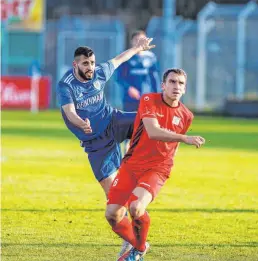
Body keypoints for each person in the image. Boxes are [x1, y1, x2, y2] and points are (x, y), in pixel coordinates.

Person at [57, 37, 155, 256]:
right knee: (115, 204)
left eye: (92, 63)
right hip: (96, 144)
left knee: (147, 119)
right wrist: (79, 121)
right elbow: (69, 110)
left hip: (113, 121)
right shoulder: (66, 84)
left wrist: (137, 48)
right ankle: (132, 242)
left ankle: (153, 164)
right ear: (76, 65)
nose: (90, 67)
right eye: (85, 64)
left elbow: (118, 60)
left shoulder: (100, 72)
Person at [105, 68, 206, 261]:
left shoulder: (186, 115)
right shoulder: (148, 100)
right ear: (163, 85)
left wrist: (168, 165)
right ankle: (141, 247)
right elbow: (153, 131)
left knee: (135, 208)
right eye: (172, 82)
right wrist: (185, 138)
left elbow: (173, 146)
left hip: (157, 169)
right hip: (132, 164)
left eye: (181, 83)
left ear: (185, 89)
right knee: (112, 215)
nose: (177, 86)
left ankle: (136, 251)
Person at [117, 30, 160, 112]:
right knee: (130, 121)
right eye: (137, 40)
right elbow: (119, 77)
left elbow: (154, 78)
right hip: (130, 98)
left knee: (146, 122)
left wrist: (157, 95)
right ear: (131, 42)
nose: (139, 43)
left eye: (142, 40)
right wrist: (129, 88)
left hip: (147, 97)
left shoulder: (151, 57)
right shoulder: (126, 57)